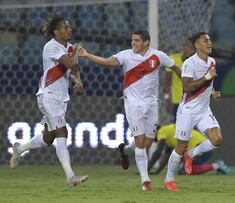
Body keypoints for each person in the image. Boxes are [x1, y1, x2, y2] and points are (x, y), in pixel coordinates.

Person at [79, 30, 181, 191]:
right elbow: (106, 62)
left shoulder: (159, 56)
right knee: (140, 142)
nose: (133, 43)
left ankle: (125, 150)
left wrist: (188, 84)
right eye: (132, 40)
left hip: (151, 104)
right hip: (133, 104)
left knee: (147, 143)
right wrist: (86, 54)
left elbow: (176, 68)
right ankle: (145, 181)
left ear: (146, 42)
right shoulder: (125, 55)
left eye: (137, 40)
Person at [9, 12, 88, 187]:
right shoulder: (51, 47)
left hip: (61, 98)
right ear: (55, 32)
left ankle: (19, 149)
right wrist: (75, 52)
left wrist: (78, 81)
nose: (69, 29)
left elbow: (73, 69)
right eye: (65, 27)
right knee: (62, 132)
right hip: (49, 96)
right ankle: (70, 176)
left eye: (69, 26)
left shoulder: (67, 47)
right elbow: (70, 64)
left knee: (48, 137)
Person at [164, 32, 222, 192]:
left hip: (204, 110)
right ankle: (169, 179)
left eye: (210, 40)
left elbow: (207, 85)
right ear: (196, 45)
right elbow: (187, 87)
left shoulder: (212, 61)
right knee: (180, 147)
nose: (209, 43)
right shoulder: (189, 63)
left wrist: (213, 93)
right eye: (205, 41)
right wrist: (206, 77)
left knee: (216, 140)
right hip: (188, 110)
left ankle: (191, 155)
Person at [148, 123, 231, 175]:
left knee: (187, 170)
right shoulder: (167, 132)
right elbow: (166, 156)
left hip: (201, 147)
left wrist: (147, 170)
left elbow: (157, 152)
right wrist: (157, 172)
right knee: (183, 169)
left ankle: (217, 166)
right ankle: (217, 166)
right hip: (203, 147)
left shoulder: (161, 132)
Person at [163, 39, 195, 121]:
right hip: (176, 101)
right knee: (177, 128)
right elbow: (167, 81)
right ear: (184, 46)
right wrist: (167, 98)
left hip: (190, 103)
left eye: (194, 49)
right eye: (191, 48)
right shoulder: (173, 59)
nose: (192, 51)